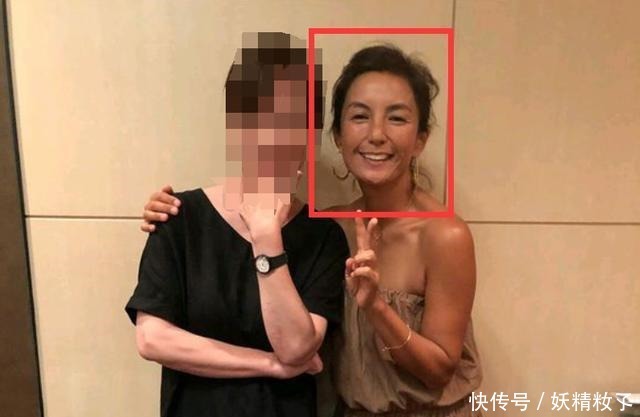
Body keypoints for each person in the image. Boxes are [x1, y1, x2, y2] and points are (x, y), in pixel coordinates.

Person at [141, 44, 482, 417]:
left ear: (420, 138)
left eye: (397, 118)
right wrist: (169, 213)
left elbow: (439, 370)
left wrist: (376, 308)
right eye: (360, 116)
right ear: (337, 136)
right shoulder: (330, 224)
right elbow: (152, 337)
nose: (377, 134)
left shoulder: (443, 235)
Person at [126, 32, 349, 417]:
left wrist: (267, 241)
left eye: (294, 119)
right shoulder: (179, 216)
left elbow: (297, 347)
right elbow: (152, 339)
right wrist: (269, 365)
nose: (276, 134)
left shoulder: (323, 235)